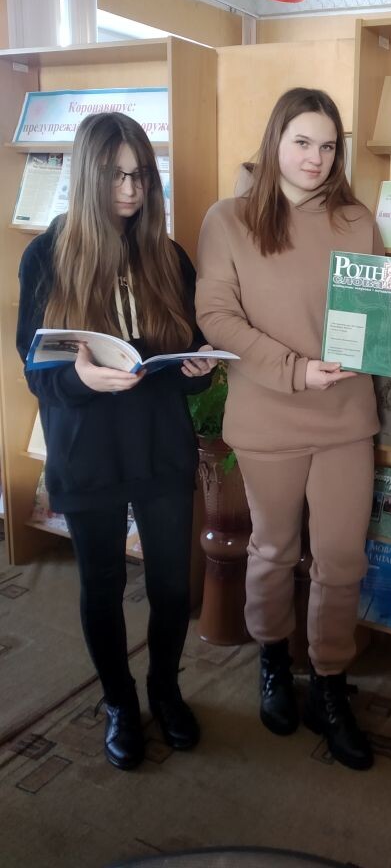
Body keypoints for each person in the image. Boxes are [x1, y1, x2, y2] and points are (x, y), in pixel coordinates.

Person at [196, 87, 391, 770]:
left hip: (344, 418)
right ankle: (273, 661)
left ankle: (330, 683)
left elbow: (376, 318)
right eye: (302, 142)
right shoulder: (229, 219)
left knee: (341, 559)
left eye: (328, 146)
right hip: (268, 413)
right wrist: (294, 370)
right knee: (274, 549)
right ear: (275, 140)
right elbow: (216, 317)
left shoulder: (356, 220)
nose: (316, 158)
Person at [16, 112, 217, 771]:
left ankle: (165, 688)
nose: (131, 190)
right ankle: (119, 702)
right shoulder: (47, 256)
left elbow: (188, 356)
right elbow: (36, 371)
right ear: (87, 176)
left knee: (171, 585)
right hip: (89, 450)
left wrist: (198, 368)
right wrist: (78, 377)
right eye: (115, 176)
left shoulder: (168, 255)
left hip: (159, 443)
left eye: (141, 176)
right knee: (101, 584)